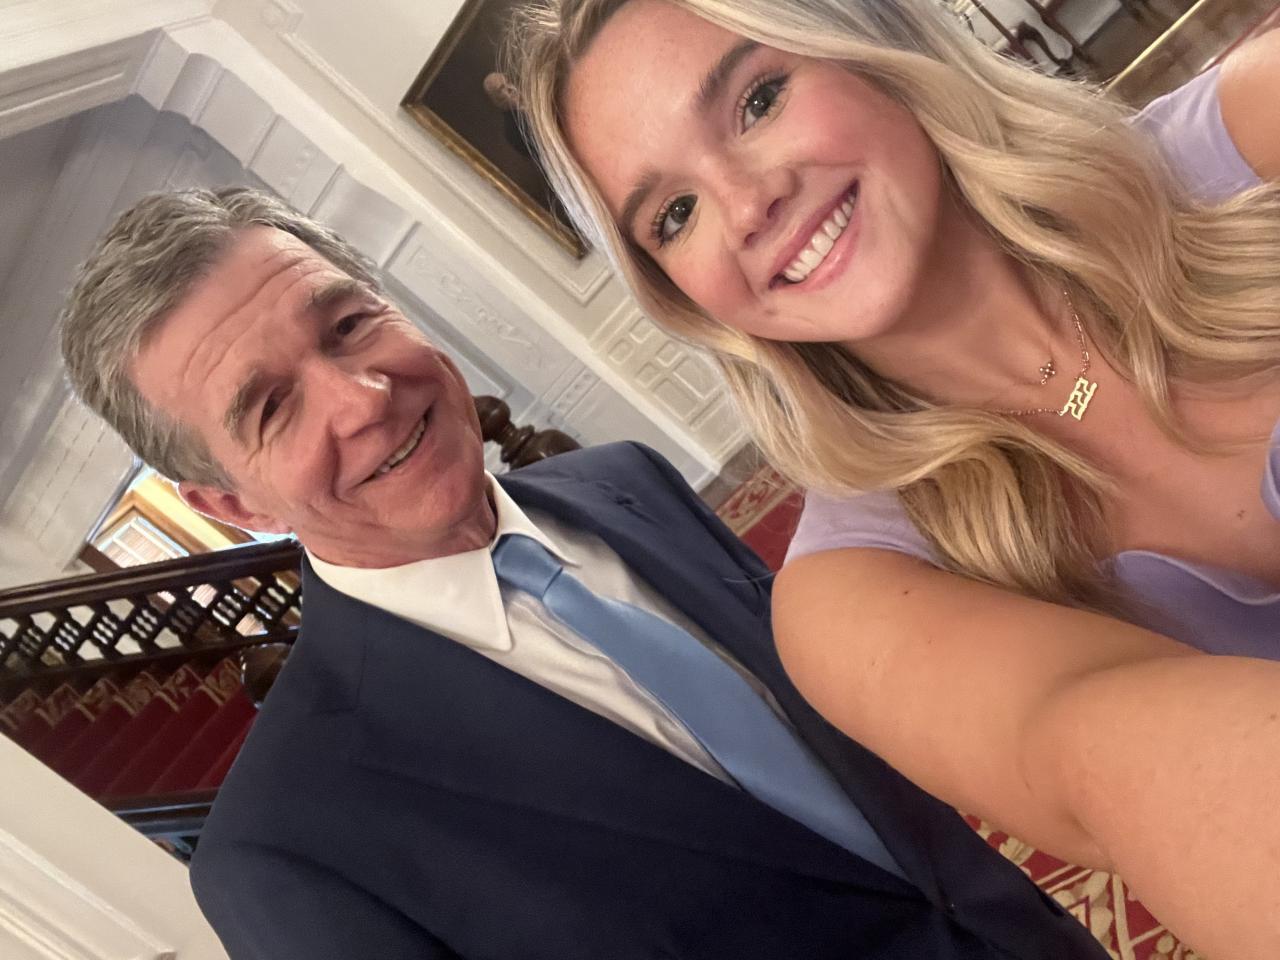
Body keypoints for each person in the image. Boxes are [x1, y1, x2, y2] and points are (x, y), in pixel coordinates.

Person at [58, 187, 1111, 959]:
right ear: (231, 504)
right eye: (273, 408)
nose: (363, 397)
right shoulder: (288, 847)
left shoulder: (624, 483)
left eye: (347, 324)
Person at [507, 1, 1280, 957]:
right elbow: (1112, 756)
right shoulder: (852, 597)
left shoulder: (1246, 142)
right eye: (675, 213)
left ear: (874, 46)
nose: (747, 207)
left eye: (758, 100)